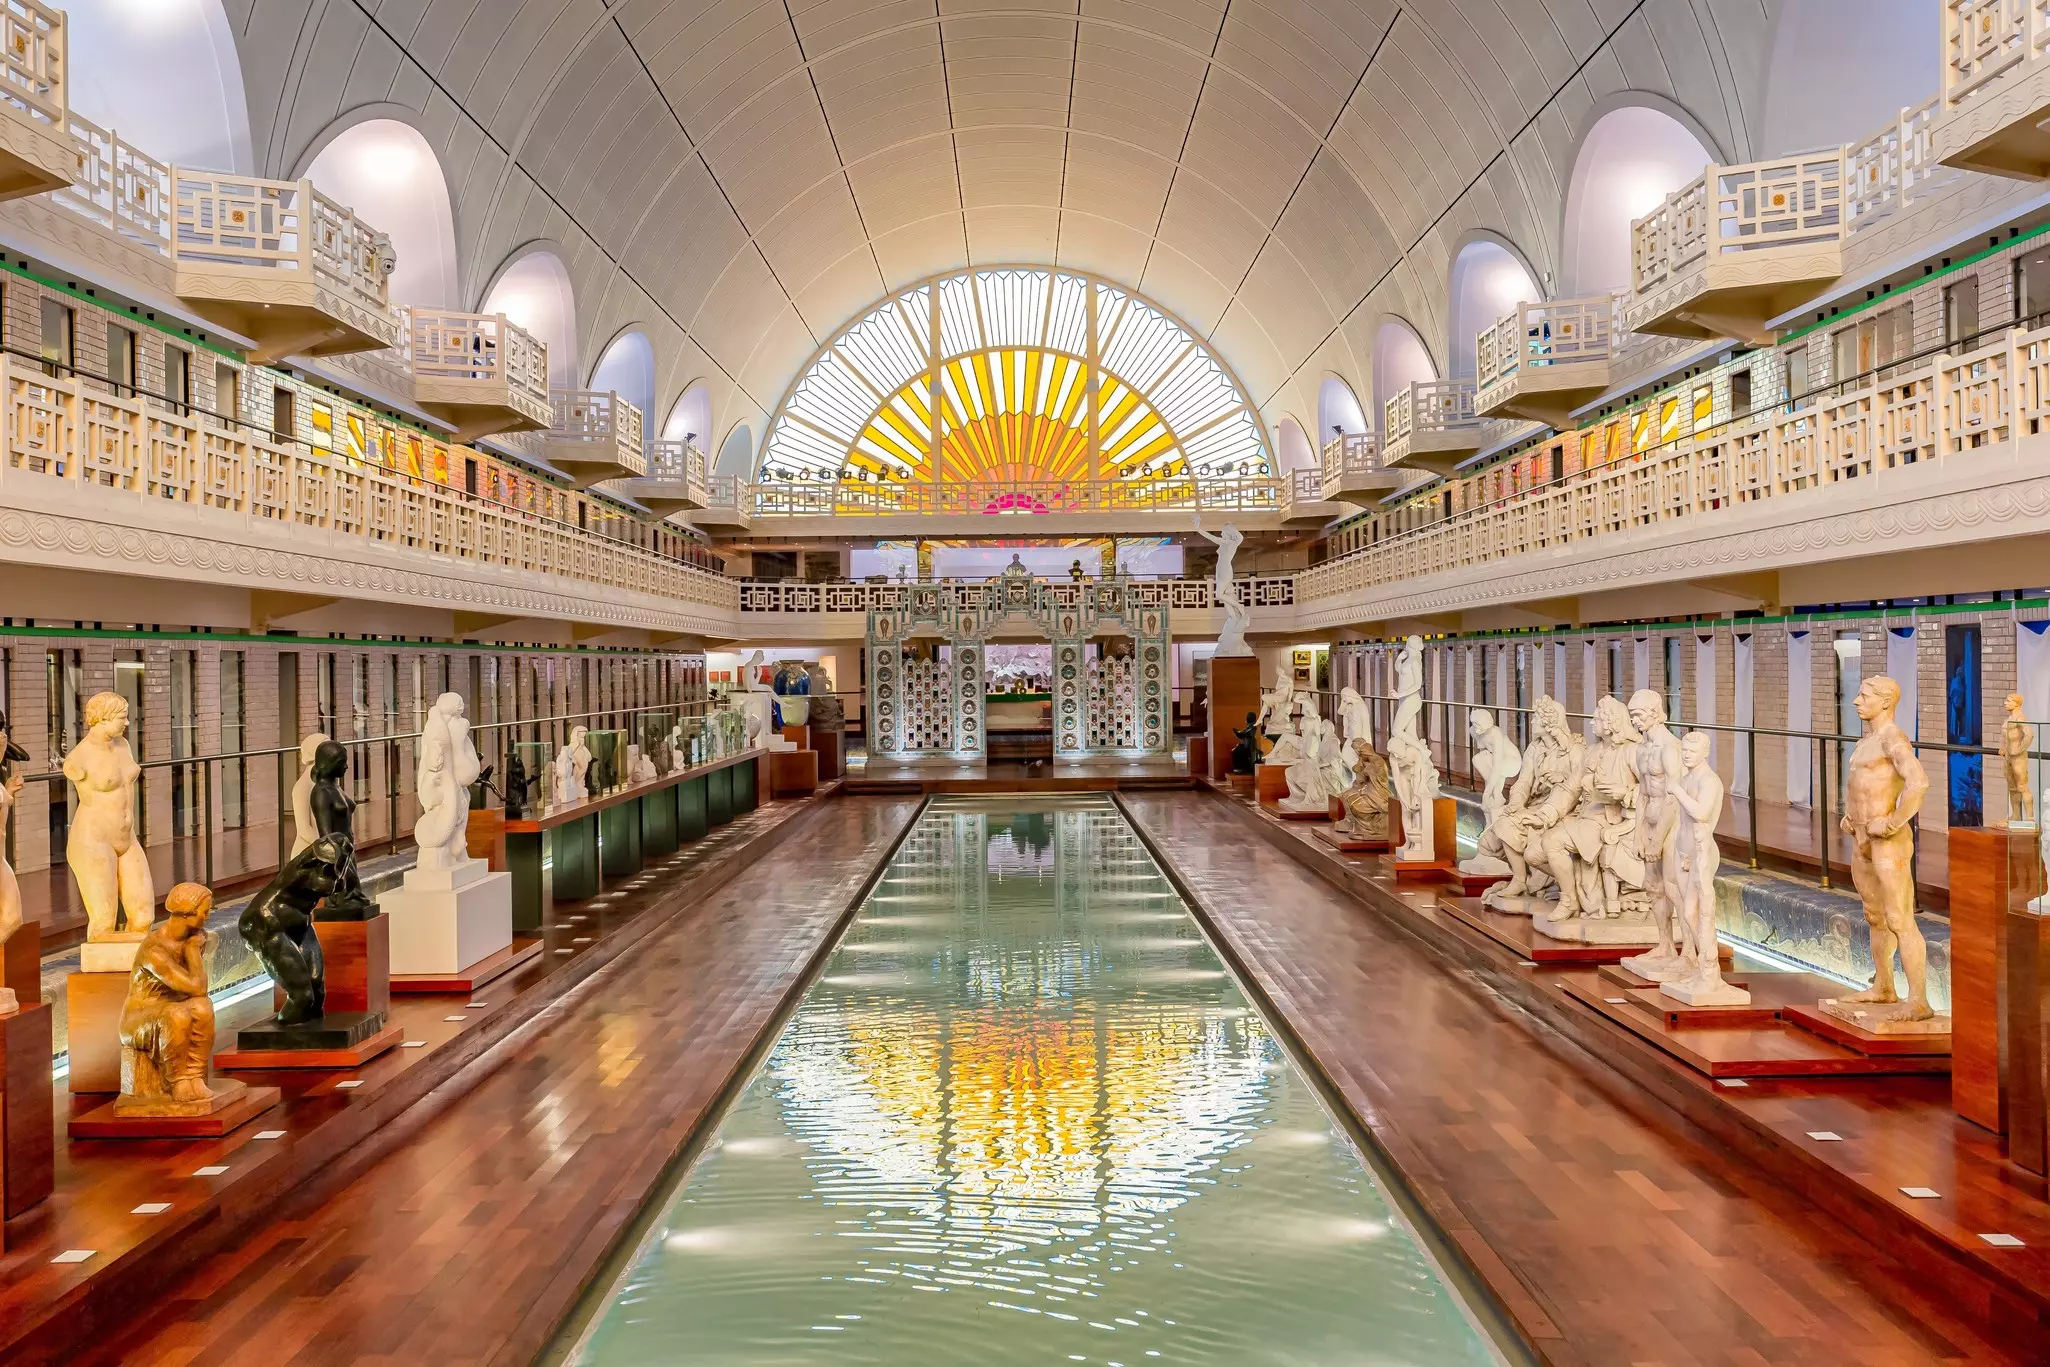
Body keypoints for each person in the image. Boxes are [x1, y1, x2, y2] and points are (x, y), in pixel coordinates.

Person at [1835, 676, 1935, 1021]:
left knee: (1899, 918)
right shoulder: (1867, 741)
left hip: (1888, 841)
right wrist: (1852, 817)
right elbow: (1864, 787)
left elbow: (1918, 782)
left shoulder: (1893, 738)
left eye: (1864, 696)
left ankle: (1919, 1000)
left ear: (1885, 701)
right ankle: (1884, 987)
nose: (1856, 702)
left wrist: (1892, 821)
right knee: (1874, 916)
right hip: (1861, 838)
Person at [63, 691, 154, 942]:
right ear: (103, 718)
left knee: (144, 919)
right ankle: (106, 971)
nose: (126, 723)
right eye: (122, 718)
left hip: (127, 839)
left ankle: (140, 968)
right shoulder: (78, 759)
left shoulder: (123, 745)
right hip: (94, 840)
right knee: (104, 924)